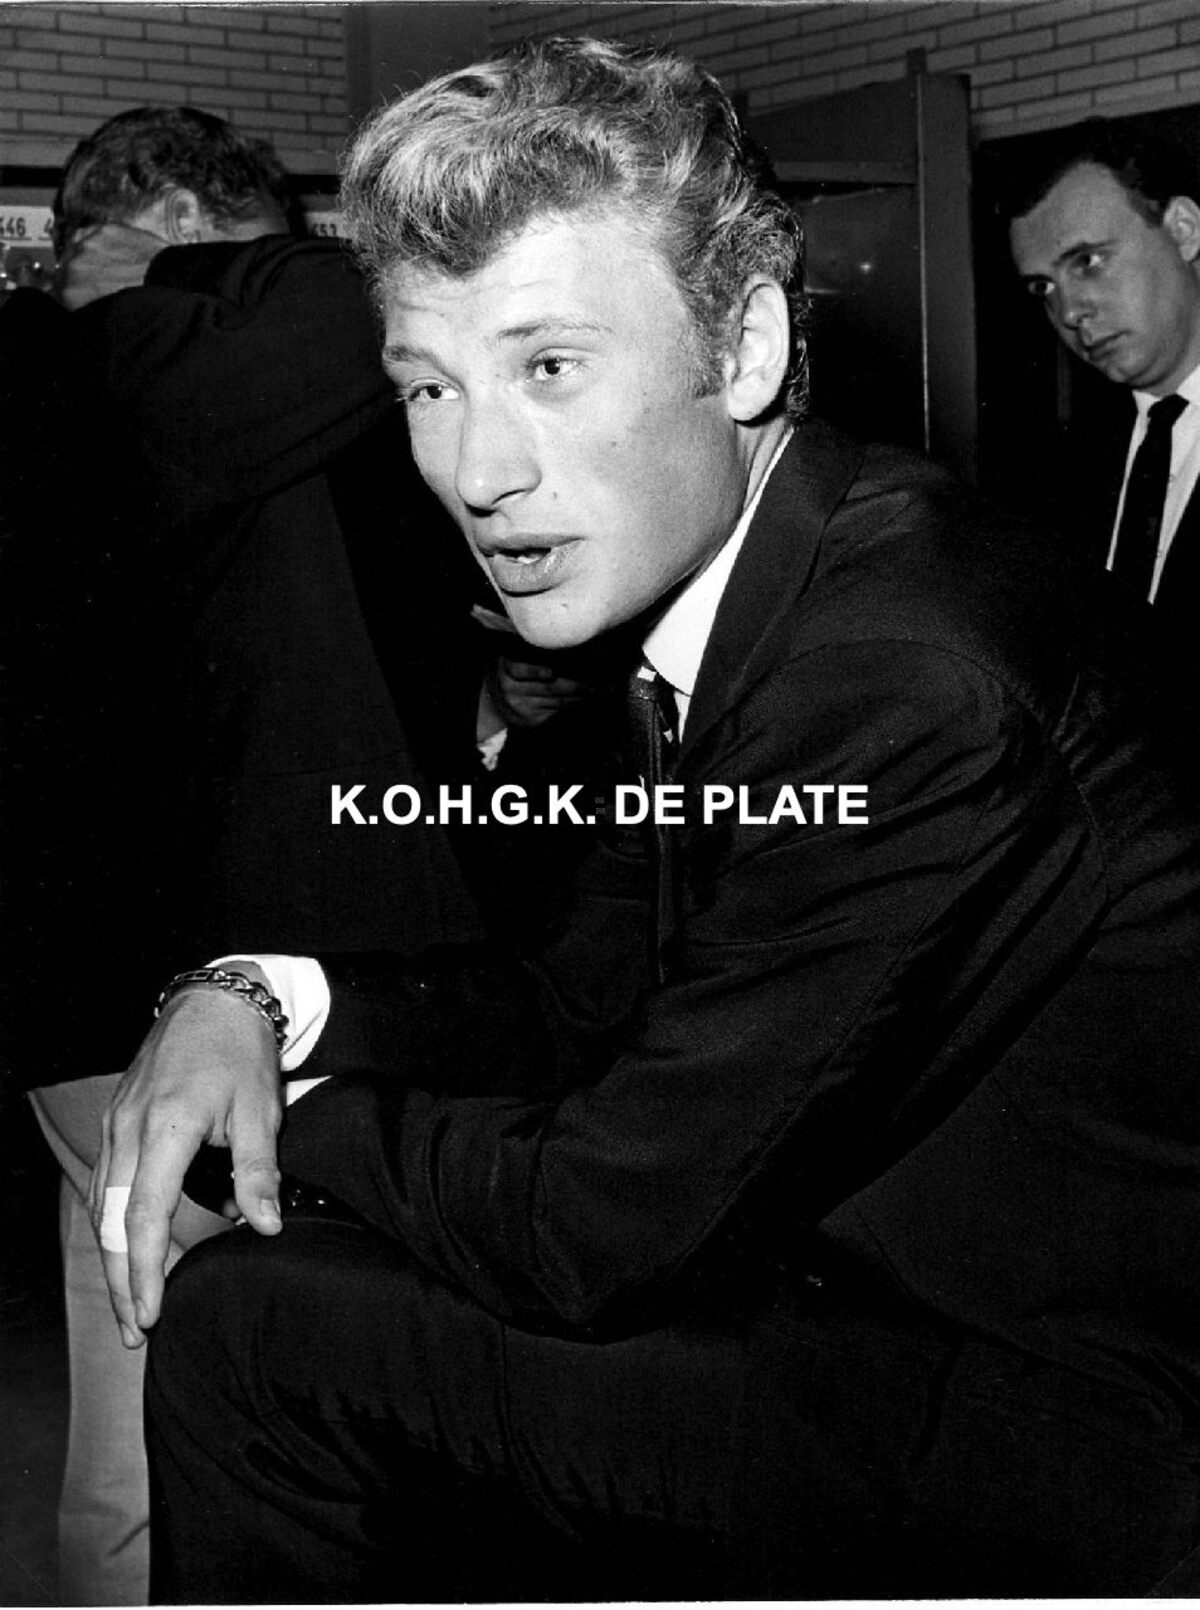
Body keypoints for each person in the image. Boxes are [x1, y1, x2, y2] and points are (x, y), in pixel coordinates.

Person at [90, 41, 1200, 1600]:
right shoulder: (750, 581)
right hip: (870, 1291)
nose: (479, 472)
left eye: (550, 366)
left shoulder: (898, 667)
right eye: (429, 386)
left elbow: (599, 1224)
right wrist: (262, 997)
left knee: (252, 1324)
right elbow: (576, 998)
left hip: (1071, 1416)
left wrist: (286, 1108)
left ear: (744, 349)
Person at [2, 104, 489, 1605]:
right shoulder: (133, 350)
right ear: (176, 220)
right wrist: (198, 269)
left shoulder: (67, 382)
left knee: (130, 1385)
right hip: (168, 983)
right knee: (222, 1418)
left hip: (82, 984)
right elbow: (351, 307)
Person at [1006, 119, 1200, 711]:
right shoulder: (1062, 466)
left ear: (1184, 230)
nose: (1069, 311)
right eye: (1043, 288)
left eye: (1087, 260)